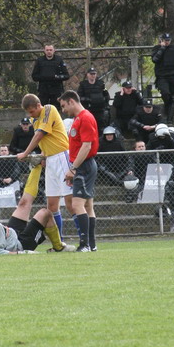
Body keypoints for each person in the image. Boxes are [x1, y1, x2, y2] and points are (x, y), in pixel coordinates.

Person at [16, 94, 73, 240]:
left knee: (71, 202)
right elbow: (46, 139)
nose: (30, 115)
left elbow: (40, 135)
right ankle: (59, 243)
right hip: (50, 160)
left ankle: (86, 241)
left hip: (62, 156)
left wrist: (26, 153)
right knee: (52, 205)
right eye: (28, 112)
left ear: (38, 105)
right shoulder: (34, 119)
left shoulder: (49, 109)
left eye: (32, 111)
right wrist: (43, 154)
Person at [0, 194, 76, 255]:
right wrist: (23, 253)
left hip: (12, 233)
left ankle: (35, 168)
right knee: (45, 213)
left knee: (24, 203)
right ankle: (58, 248)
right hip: (20, 244)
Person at [59, 90, 99, 252]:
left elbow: (87, 145)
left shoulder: (85, 118)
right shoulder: (77, 119)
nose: (63, 110)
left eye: (63, 106)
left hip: (84, 166)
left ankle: (84, 244)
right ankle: (92, 244)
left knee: (77, 204)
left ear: (71, 101)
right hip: (83, 165)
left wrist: (74, 168)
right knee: (88, 205)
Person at [151, 33, 174, 124]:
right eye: (165, 40)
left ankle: (169, 120)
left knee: (173, 98)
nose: (167, 42)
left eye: (168, 40)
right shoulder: (157, 48)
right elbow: (155, 60)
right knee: (165, 94)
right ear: (161, 40)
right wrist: (162, 48)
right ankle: (167, 109)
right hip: (162, 76)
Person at [31, 45, 69, 110]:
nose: (49, 52)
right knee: (42, 109)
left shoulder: (59, 60)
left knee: (56, 109)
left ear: (54, 50)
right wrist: (44, 77)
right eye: (47, 50)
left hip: (56, 89)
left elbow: (66, 75)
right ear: (44, 51)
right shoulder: (40, 60)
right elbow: (34, 76)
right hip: (43, 90)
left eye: (50, 50)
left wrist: (56, 77)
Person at [77, 67, 110, 134]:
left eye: (94, 74)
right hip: (88, 110)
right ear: (87, 75)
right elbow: (78, 97)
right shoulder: (83, 84)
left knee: (101, 127)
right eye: (91, 74)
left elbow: (106, 95)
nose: (93, 75)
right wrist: (88, 100)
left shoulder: (101, 84)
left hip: (99, 109)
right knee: (88, 128)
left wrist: (102, 100)